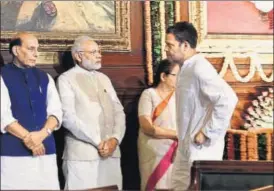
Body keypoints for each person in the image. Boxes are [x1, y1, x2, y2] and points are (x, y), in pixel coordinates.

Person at [165, 22, 238, 190]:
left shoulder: (199, 67)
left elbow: (228, 99)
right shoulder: (186, 68)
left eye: (170, 45)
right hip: (186, 145)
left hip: (200, 148)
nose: (167, 49)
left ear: (185, 45)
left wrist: (206, 132)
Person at [56, 36, 125, 190]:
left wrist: (115, 139)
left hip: (111, 153)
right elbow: (68, 117)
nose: (99, 55)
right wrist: (98, 142)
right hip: (82, 156)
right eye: (93, 52)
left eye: (99, 52)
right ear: (78, 56)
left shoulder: (104, 78)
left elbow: (119, 111)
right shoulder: (66, 79)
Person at [0, 32, 62, 190]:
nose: (36, 54)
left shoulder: (45, 77)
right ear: (16, 51)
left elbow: (56, 112)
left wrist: (41, 135)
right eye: (31, 49)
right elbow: (3, 116)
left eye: (37, 49)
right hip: (13, 153)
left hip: (45, 151)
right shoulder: (2, 75)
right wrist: (29, 139)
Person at [138, 59, 179, 191]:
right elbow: (147, 127)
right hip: (153, 150)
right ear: (163, 76)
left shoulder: (179, 96)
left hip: (175, 150)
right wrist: (178, 135)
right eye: (176, 75)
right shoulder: (149, 94)